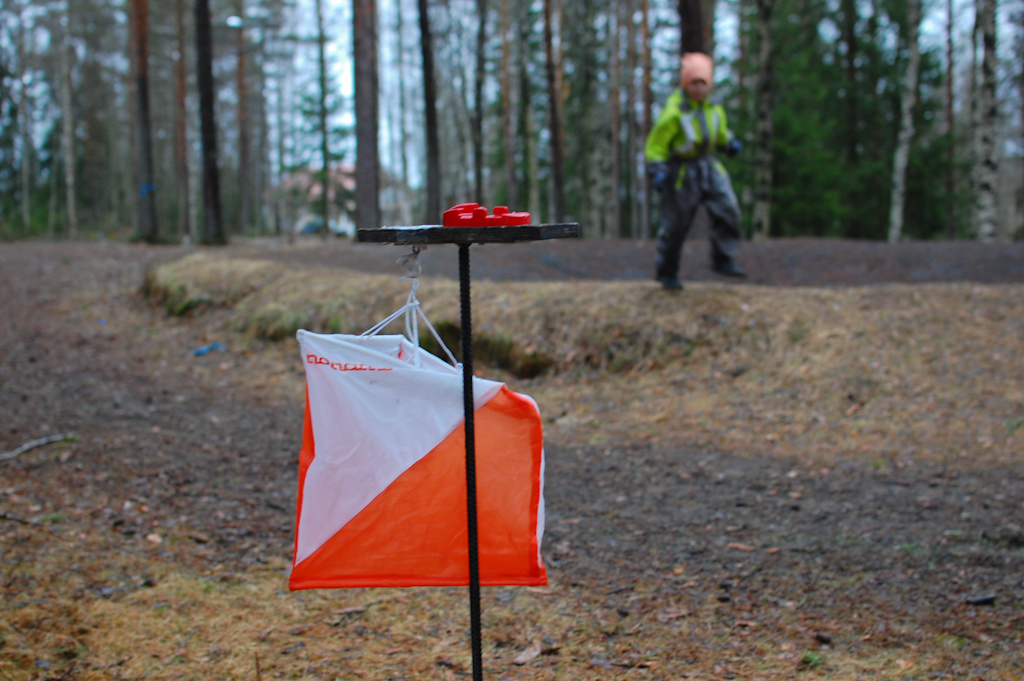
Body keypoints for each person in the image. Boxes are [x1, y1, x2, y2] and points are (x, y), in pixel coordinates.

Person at [645, 52, 745, 291]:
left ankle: (723, 258)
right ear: (685, 84)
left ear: (709, 85)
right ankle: (667, 272)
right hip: (681, 171)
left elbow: (719, 132)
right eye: (694, 83)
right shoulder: (674, 112)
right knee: (675, 224)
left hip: (708, 166)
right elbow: (656, 145)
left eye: (703, 83)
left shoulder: (714, 107)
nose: (699, 89)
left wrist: (728, 143)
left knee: (728, 208)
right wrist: (657, 170)